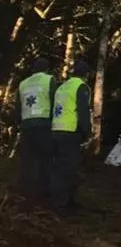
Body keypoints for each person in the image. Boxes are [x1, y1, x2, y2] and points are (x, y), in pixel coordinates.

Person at [50, 59, 92, 213]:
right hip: (70, 131)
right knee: (69, 167)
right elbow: (83, 111)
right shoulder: (80, 87)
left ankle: (59, 199)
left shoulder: (62, 86)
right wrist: (86, 131)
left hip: (56, 129)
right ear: (86, 75)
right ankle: (63, 204)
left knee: (57, 167)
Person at [16, 57, 57, 203]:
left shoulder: (23, 84)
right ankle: (43, 192)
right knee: (45, 159)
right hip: (43, 124)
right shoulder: (49, 80)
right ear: (47, 69)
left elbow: (18, 107)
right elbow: (55, 102)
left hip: (26, 125)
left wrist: (18, 124)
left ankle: (24, 191)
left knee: (27, 160)